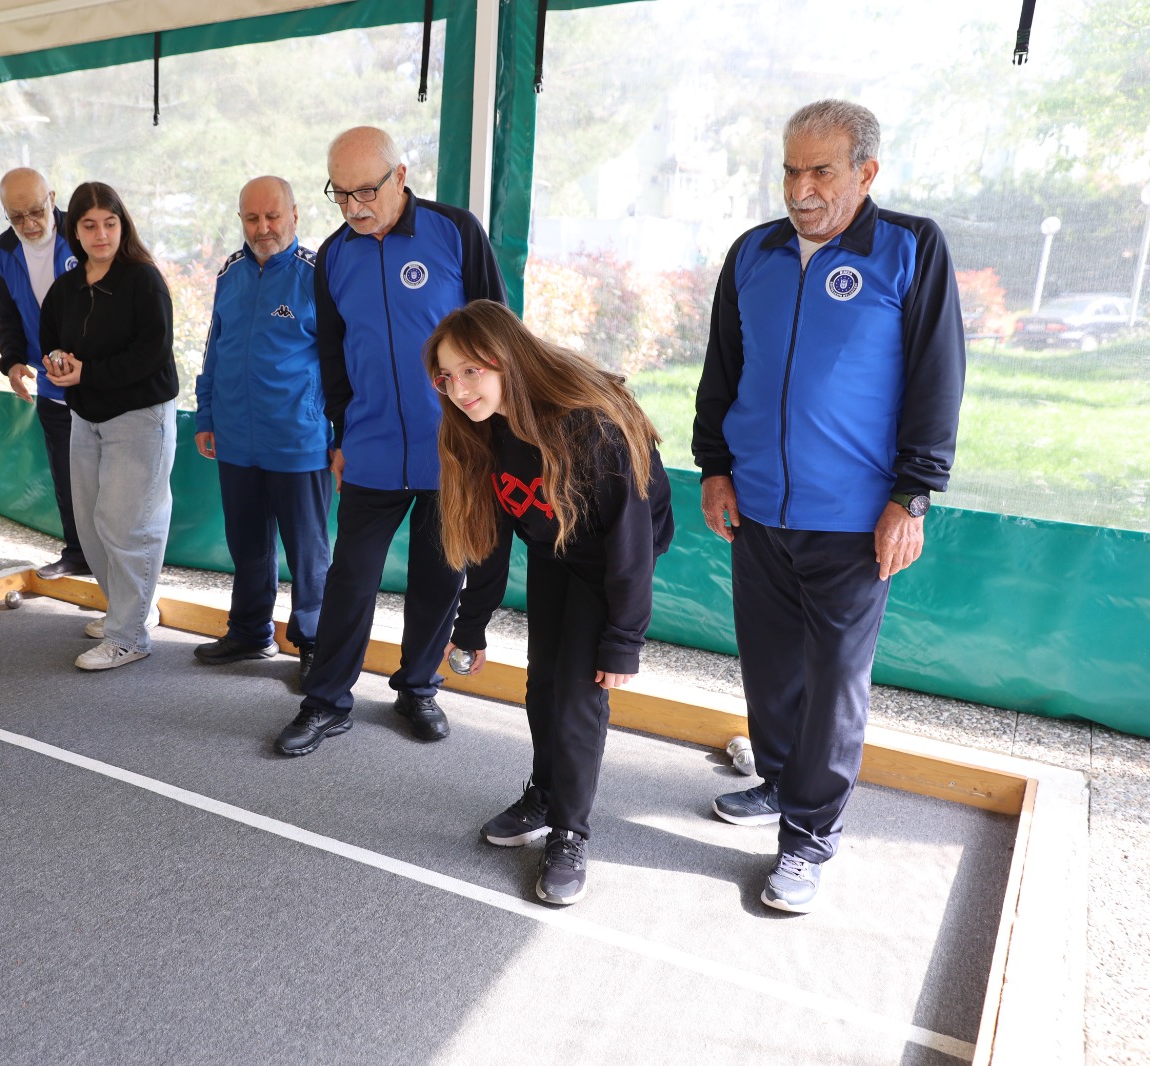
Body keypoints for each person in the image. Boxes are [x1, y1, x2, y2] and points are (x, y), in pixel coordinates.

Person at [692, 100, 966, 913]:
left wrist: (911, 496)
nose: (801, 189)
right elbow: (723, 370)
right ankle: (777, 780)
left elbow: (936, 379)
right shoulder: (753, 254)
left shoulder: (910, 249)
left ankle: (810, 836)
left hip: (854, 519)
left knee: (837, 680)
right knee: (771, 666)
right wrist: (714, 467)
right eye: (790, 169)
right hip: (759, 510)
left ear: (865, 173)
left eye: (821, 171)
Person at [430, 301, 673, 906]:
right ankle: (545, 793)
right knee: (543, 684)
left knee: (576, 695)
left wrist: (623, 637)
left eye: (471, 371)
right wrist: (472, 627)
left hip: (612, 550)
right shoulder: (479, 429)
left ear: (505, 359)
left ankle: (570, 831)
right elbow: (487, 538)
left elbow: (630, 539)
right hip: (555, 544)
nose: (458, 389)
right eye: (446, 376)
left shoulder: (587, 423)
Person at [274, 126, 506, 757]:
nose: (354, 206)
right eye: (341, 194)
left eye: (366, 190)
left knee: (440, 573)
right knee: (350, 577)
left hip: (452, 450)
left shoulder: (455, 232)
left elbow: (498, 335)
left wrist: (493, 435)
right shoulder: (333, 256)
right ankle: (325, 701)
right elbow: (333, 355)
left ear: (400, 176)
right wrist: (342, 434)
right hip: (371, 447)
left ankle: (417, 687)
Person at [193, 176, 332, 687]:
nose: (263, 227)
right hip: (235, 437)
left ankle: (316, 642)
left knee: (307, 551)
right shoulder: (229, 273)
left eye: (272, 216)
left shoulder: (317, 274)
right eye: (252, 218)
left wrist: (337, 433)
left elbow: (341, 365)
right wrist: (206, 415)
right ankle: (251, 632)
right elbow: (214, 349)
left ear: (294, 214)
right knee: (247, 544)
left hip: (298, 440)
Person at [40, 182, 178, 671]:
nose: (101, 234)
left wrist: (89, 373)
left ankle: (128, 635)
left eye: (110, 223)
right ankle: (131, 611)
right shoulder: (67, 286)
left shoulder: (143, 280)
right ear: (74, 231)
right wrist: (56, 363)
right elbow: (51, 338)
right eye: (90, 225)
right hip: (86, 418)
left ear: (123, 224)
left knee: (128, 527)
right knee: (94, 527)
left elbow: (152, 352)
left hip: (139, 418)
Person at [0, 167, 91, 580]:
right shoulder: (3, 250)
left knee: (109, 483)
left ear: (52, 197)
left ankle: (121, 569)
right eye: (17, 217)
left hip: (97, 383)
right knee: (67, 479)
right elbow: (7, 316)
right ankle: (78, 554)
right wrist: (13, 362)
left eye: (36, 211)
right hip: (51, 385)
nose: (30, 224)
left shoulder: (84, 231)